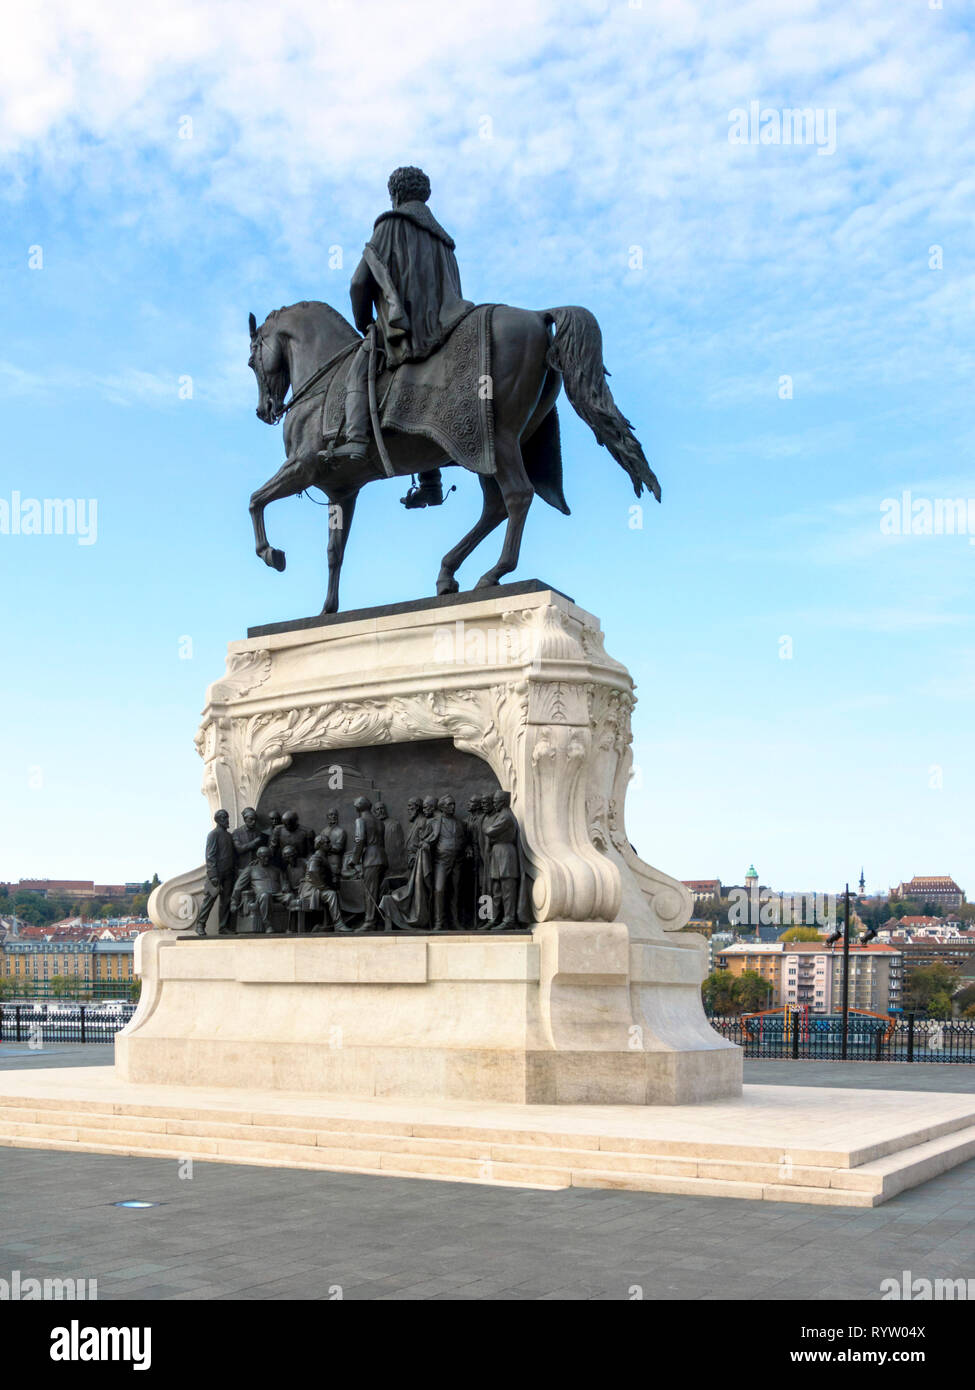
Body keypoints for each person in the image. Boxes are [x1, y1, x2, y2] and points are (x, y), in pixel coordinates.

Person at [327, 166, 473, 510]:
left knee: (359, 364)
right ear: (424, 195)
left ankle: (357, 439)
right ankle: (431, 480)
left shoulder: (389, 225)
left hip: (408, 329)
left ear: (395, 194)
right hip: (448, 326)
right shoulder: (444, 239)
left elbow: (359, 283)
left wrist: (365, 323)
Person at [481, 790, 530, 931]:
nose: (494, 804)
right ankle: (494, 919)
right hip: (498, 854)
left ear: (502, 802)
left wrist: (490, 832)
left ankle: (509, 919)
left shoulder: (506, 816)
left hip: (506, 855)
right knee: (496, 890)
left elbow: (489, 831)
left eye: (496, 801)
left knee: (507, 890)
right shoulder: (501, 815)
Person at [423, 795, 468, 932]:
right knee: (439, 890)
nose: (453, 807)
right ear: (442, 807)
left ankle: (455, 922)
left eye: (453, 804)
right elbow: (425, 839)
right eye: (449, 805)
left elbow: (465, 841)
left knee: (455, 892)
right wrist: (424, 845)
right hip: (441, 862)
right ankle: (439, 922)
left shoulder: (460, 823)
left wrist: (468, 849)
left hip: (457, 861)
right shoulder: (433, 823)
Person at [192, 809, 237, 937]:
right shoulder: (213, 834)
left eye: (227, 817)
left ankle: (223, 927)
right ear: (217, 820)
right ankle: (200, 925)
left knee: (226, 901)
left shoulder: (229, 836)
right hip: (217, 874)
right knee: (209, 900)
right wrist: (213, 875)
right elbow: (210, 856)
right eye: (224, 818)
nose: (227, 820)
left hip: (229, 873)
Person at [230, 846, 291, 934]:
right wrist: (234, 902)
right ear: (258, 857)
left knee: (290, 896)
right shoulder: (251, 869)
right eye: (264, 857)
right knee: (265, 895)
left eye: (268, 857)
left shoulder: (276, 870)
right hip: (261, 896)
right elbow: (238, 887)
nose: (266, 859)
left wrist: (285, 886)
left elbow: (284, 882)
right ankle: (268, 925)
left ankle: (290, 926)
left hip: (277, 894)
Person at [350, 795, 387, 930]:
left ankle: (370, 922)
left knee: (370, 892)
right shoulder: (380, 822)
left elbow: (360, 840)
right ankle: (378, 922)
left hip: (371, 859)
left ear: (358, 808)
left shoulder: (361, 820)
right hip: (382, 858)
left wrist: (354, 860)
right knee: (378, 891)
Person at [232, 807, 267, 871]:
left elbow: (262, 850)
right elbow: (239, 849)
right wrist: (255, 842)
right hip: (243, 867)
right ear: (245, 819)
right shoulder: (237, 832)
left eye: (255, 820)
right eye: (251, 819)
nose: (253, 822)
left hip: (256, 867)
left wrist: (258, 860)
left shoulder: (259, 833)